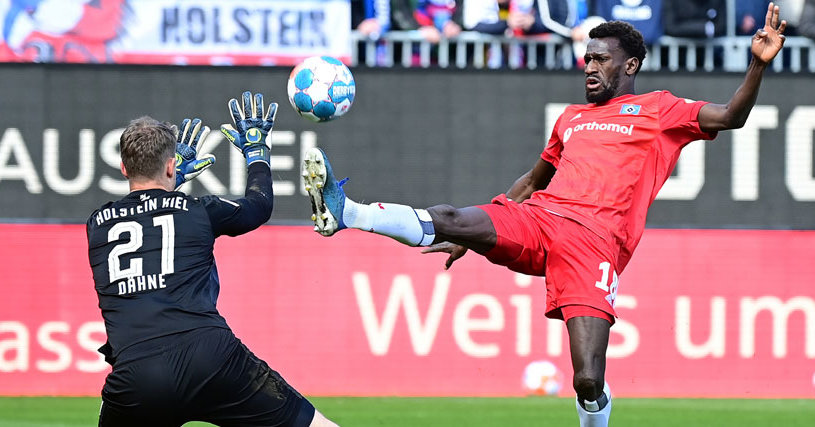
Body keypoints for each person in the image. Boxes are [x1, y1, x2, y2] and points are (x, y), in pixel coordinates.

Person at [302, 4, 787, 426]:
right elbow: (532, 183)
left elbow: (730, 116)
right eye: (587, 59)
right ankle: (348, 212)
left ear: (631, 64)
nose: (589, 67)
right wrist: (470, 236)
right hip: (540, 219)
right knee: (449, 215)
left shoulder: (659, 110)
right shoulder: (570, 118)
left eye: (600, 59)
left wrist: (756, 66)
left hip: (596, 244)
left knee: (587, 379)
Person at [87, 92, 337, 427]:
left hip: (139, 374)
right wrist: (258, 152)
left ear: (122, 168)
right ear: (170, 165)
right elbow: (258, 206)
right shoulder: (198, 211)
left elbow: (149, 217)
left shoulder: (98, 225)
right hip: (212, 360)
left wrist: (172, 183)